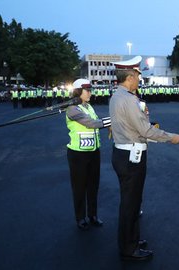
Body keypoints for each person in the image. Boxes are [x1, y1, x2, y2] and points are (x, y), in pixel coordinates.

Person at [109, 56, 179, 261]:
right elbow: (145, 130)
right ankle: (128, 247)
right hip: (131, 157)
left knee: (130, 201)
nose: (139, 79)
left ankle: (131, 239)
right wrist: (172, 138)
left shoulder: (117, 96)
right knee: (130, 204)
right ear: (131, 76)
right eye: (138, 75)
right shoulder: (129, 99)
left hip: (123, 153)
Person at [65, 78, 111, 230]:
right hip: (78, 154)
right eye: (88, 90)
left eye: (91, 90)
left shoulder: (89, 106)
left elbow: (96, 120)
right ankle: (80, 217)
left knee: (93, 185)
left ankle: (93, 215)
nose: (91, 93)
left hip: (93, 152)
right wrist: (115, 120)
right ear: (79, 91)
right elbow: (92, 123)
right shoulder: (72, 109)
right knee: (79, 187)